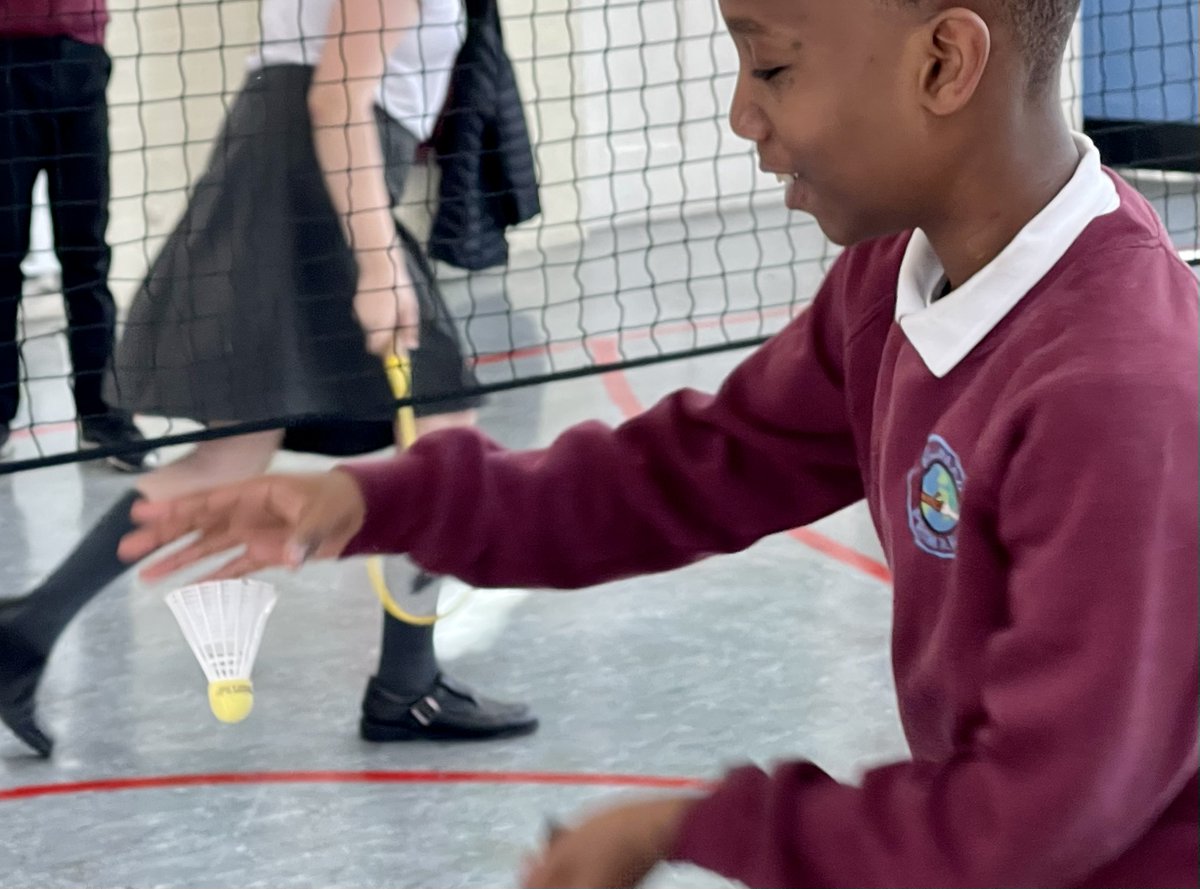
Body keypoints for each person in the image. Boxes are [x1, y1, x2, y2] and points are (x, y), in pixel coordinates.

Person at [118, 0, 1199, 886]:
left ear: (944, 62)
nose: (741, 114)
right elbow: (681, 471)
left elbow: (1031, 822)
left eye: (771, 68)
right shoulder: (894, 280)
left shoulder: (1114, 393)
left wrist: (695, 827)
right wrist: (374, 502)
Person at [0, 0, 538, 758]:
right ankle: (406, 688)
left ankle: (23, 633)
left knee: (234, 454)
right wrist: (380, 264)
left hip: (286, 156)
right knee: (442, 433)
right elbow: (338, 98)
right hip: (319, 166)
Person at [0, 0, 155, 469]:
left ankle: (103, 413)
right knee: (4, 254)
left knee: (87, 251)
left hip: (80, 54)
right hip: (8, 58)